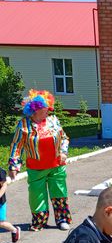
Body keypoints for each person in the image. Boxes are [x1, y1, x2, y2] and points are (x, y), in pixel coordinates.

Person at [8, 90, 72, 232]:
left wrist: (63, 152)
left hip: (56, 166)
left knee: (59, 192)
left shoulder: (53, 120)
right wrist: (13, 165)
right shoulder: (24, 125)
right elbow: (17, 145)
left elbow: (64, 138)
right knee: (37, 196)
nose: (48, 111)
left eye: (48, 107)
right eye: (44, 109)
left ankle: (62, 219)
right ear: (34, 111)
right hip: (36, 168)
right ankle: (40, 221)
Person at [0, 167, 21, 243]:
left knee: (1, 223)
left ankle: (14, 230)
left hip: (0, 202)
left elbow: (4, 186)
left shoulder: (1, 172)